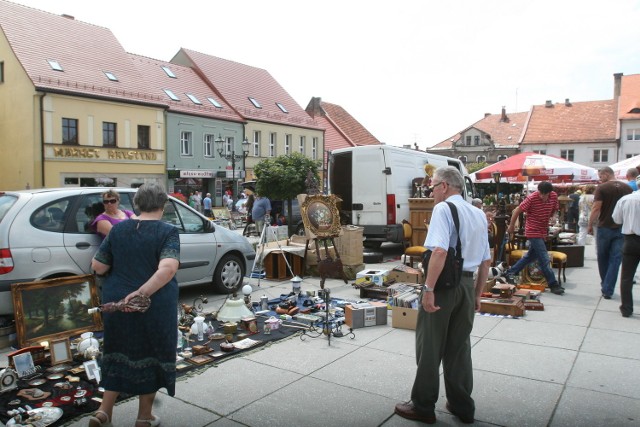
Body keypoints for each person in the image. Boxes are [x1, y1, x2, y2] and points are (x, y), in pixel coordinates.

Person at [395, 166, 491, 424]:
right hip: (468, 286)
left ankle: (423, 405)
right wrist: (478, 294)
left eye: (432, 187)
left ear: (444, 187)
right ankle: (462, 406)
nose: (431, 192)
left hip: (444, 286)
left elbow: (439, 252)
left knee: (430, 346)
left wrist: (428, 289)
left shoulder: (443, 209)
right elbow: (485, 261)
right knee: (459, 347)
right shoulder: (478, 214)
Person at [90, 183, 180, 427]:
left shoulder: (117, 231)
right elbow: (168, 268)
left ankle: (103, 412)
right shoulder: (167, 231)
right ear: (162, 205)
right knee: (151, 355)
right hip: (152, 304)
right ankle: (144, 417)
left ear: (136, 204)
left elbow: (98, 266)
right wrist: (141, 293)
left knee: (116, 353)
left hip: (116, 302)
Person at [503, 181, 565, 295]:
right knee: (544, 258)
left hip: (542, 230)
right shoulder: (532, 198)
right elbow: (517, 210)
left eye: (545, 195)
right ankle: (553, 284)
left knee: (531, 256)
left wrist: (554, 216)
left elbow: (555, 209)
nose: (543, 197)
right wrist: (511, 226)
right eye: (541, 193)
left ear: (550, 193)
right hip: (532, 230)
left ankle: (510, 272)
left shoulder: (554, 196)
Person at [588, 167, 632, 299]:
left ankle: (605, 285)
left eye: (601, 176)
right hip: (621, 227)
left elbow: (596, 207)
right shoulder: (627, 188)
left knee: (603, 257)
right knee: (615, 259)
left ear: (606, 174)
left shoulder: (602, 188)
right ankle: (608, 287)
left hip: (604, 226)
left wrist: (590, 224)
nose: (600, 178)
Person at [612, 176, 640, 317]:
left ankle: (627, 308)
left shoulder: (626, 199)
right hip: (632, 238)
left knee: (627, 276)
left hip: (631, 239)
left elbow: (617, 219)